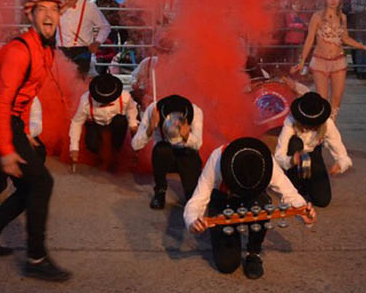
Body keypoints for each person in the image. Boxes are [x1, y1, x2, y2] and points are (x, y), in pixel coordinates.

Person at [0, 0, 71, 281]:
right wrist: (7, 147)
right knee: (42, 183)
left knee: (29, 188)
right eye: (43, 9)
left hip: (9, 120)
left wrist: (23, 133)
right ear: (31, 14)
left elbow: (22, 100)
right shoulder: (19, 51)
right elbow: (1, 103)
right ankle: (36, 259)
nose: (50, 15)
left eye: (54, 10)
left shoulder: (45, 49)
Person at [184, 137, 316, 279]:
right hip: (224, 200)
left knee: (263, 204)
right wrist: (193, 221)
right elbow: (198, 198)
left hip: (252, 199)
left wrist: (302, 210)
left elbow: (287, 191)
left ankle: (254, 252)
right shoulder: (217, 160)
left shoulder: (264, 162)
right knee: (227, 265)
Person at [296, 0, 366, 118]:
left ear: (340, 0)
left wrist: (364, 47)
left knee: (336, 99)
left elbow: (345, 38)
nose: (333, 1)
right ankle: (321, 129)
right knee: (322, 99)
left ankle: (330, 128)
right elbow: (310, 39)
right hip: (320, 61)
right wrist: (302, 61)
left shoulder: (343, 17)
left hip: (338, 62)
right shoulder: (317, 17)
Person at [273, 92, 352, 207]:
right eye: (306, 124)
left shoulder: (327, 124)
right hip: (295, 154)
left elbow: (341, 153)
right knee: (295, 143)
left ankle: (306, 183)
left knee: (322, 201)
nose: (309, 127)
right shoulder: (290, 121)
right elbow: (279, 155)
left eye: (313, 125)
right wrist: (292, 160)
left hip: (313, 154)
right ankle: (296, 182)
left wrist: (340, 164)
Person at [131, 94, 204, 209]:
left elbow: (198, 144)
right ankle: (160, 191)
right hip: (165, 156)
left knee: (190, 154)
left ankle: (190, 193)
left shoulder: (195, 111)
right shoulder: (154, 110)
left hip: (186, 156)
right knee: (161, 149)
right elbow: (135, 145)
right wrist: (150, 128)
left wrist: (187, 136)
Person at [68, 72, 140, 172]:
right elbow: (76, 122)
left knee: (120, 120)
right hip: (96, 126)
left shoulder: (125, 97)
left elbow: (132, 110)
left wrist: (133, 125)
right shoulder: (86, 101)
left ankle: (116, 151)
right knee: (91, 145)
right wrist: (74, 148)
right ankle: (100, 155)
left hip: (116, 126)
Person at [56, 0, 111, 75]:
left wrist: (97, 42)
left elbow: (105, 27)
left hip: (81, 51)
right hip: (61, 51)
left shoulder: (89, 7)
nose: (67, 1)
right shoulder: (57, 6)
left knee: (78, 81)